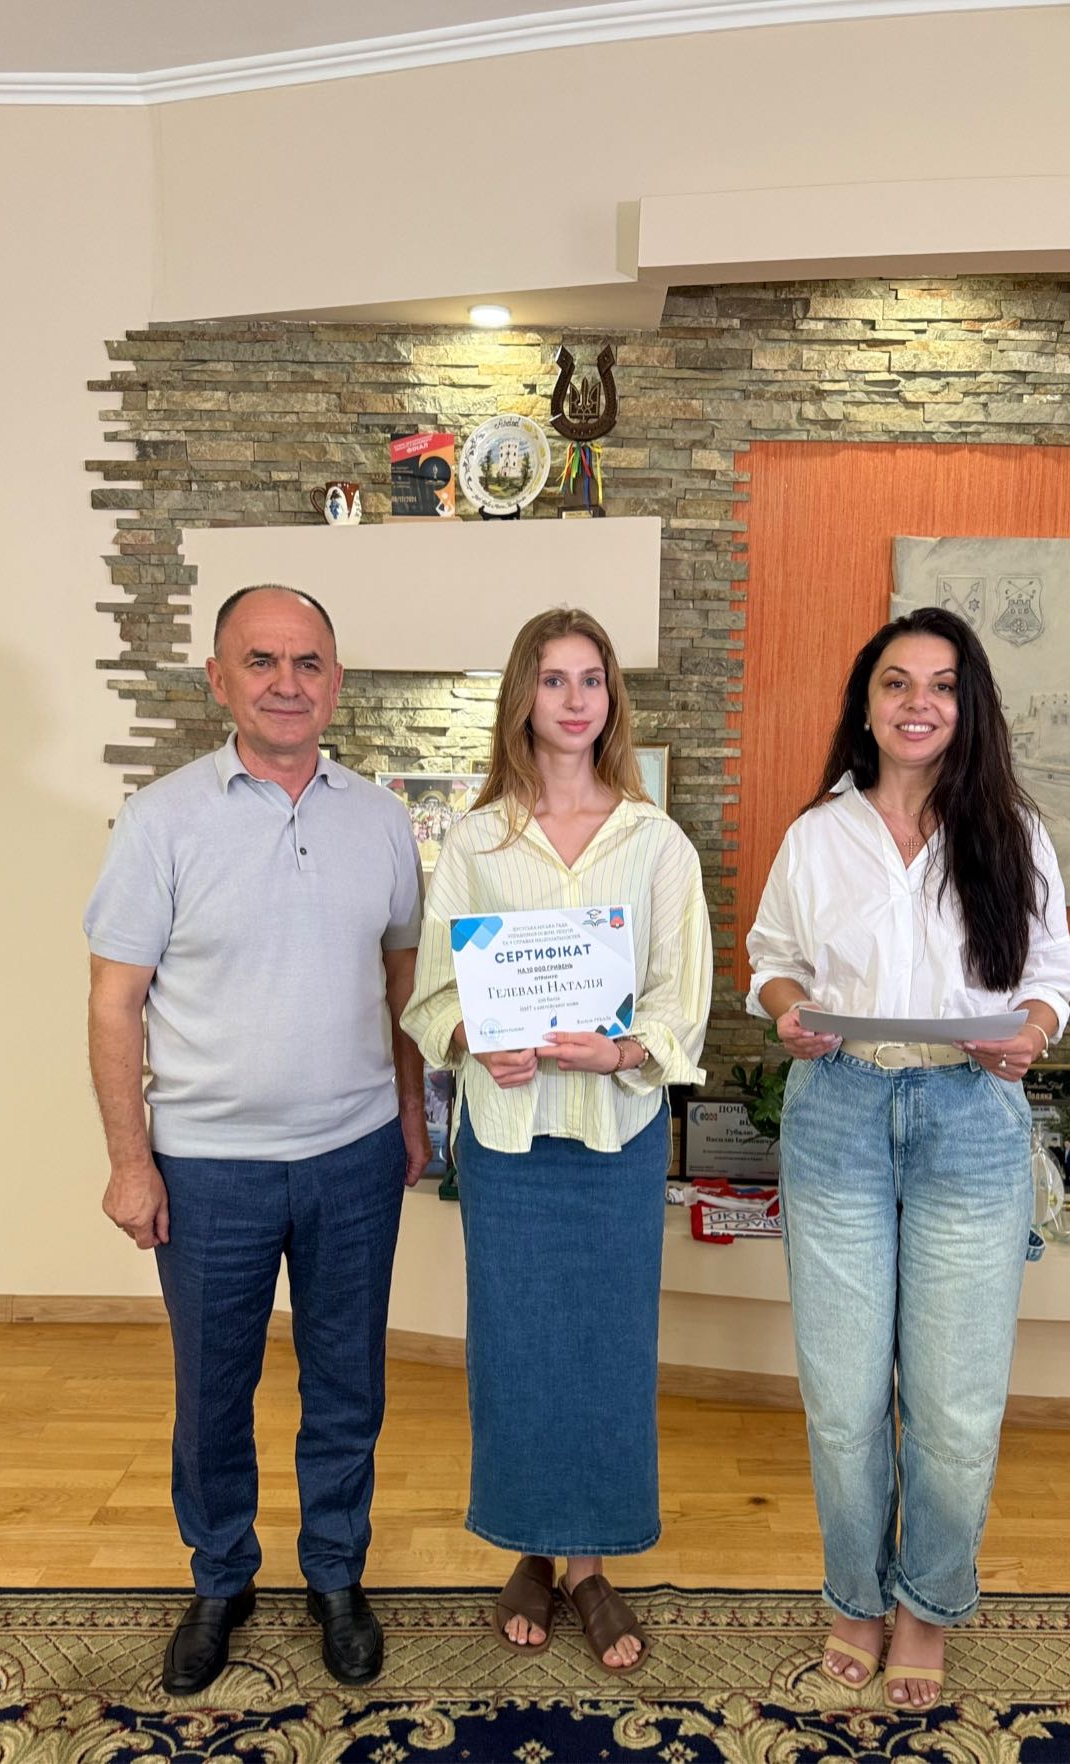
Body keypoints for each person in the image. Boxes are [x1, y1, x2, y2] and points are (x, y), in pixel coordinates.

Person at [84, 585, 430, 1696]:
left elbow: (403, 984)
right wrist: (130, 1162)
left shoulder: (381, 820)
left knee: (347, 1387)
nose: (288, 682)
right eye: (262, 660)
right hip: (206, 1168)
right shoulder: (160, 821)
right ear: (219, 679)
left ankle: (336, 1574)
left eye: (309, 662)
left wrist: (413, 1114)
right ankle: (221, 1578)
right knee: (211, 1393)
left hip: (354, 1157)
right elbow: (114, 1000)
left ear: (337, 681)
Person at [746, 606, 1070, 1711]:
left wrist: (1031, 1032)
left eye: (941, 684)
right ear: (868, 703)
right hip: (839, 1111)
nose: (918, 703)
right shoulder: (818, 834)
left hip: (970, 1120)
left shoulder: (1013, 831)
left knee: (956, 1405)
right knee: (844, 1400)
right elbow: (772, 959)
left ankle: (927, 1605)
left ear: (967, 706)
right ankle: (855, 1596)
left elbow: (1049, 979)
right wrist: (787, 1010)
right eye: (897, 682)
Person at [402, 607, 712, 1673]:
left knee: (610, 1355)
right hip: (509, 1142)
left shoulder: (656, 842)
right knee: (519, 1351)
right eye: (552, 679)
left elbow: (681, 1003)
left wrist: (621, 1052)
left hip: (616, 1139)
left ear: (611, 698)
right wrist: (474, 1040)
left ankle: (589, 1565)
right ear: (522, 699)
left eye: (591, 679)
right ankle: (531, 1549)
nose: (575, 700)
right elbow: (431, 998)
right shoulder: (477, 842)